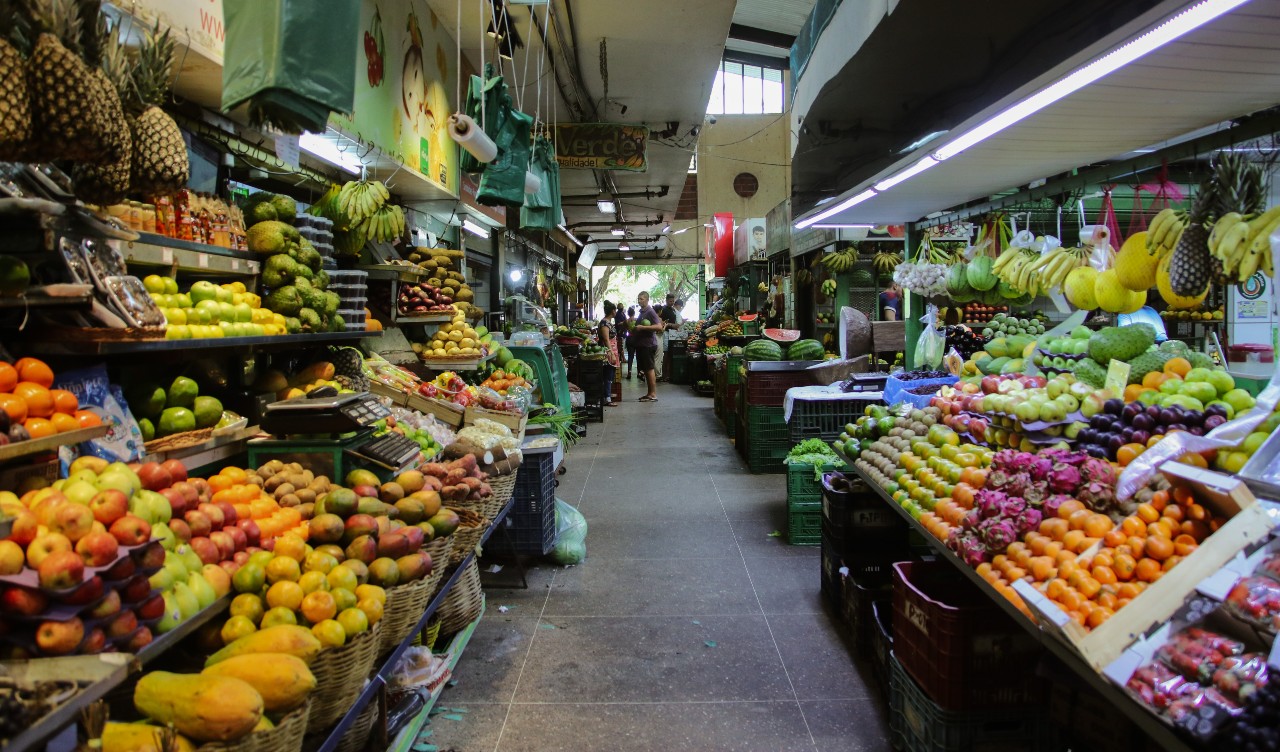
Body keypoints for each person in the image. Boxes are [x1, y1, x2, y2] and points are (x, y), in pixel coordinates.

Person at [633, 291, 663, 401]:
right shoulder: (642, 312)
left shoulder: (650, 311)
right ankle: (649, 393)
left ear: (647, 299)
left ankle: (653, 394)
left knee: (649, 369)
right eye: (638, 298)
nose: (639, 300)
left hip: (648, 345)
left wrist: (643, 328)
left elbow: (659, 327)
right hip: (642, 345)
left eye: (641, 299)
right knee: (646, 369)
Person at [598, 302, 620, 406]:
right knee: (608, 375)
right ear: (612, 311)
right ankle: (607, 398)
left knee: (610, 375)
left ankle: (607, 396)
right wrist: (611, 353)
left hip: (612, 351)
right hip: (608, 352)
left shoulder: (608, 322)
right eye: (615, 310)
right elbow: (606, 340)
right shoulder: (604, 323)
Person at [657, 293, 682, 383]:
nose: (672, 303)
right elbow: (661, 322)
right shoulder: (663, 310)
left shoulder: (673, 310)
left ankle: (669, 374)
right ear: (666, 300)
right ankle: (664, 375)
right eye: (670, 301)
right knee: (666, 354)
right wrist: (670, 325)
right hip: (666, 333)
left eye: (673, 301)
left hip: (672, 333)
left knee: (670, 354)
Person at [624, 306, 637, 378]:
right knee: (638, 356)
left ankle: (629, 372)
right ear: (634, 313)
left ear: (628, 314)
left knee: (630, 356)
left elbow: (624, 329)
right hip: (637, 339)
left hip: (629, 338)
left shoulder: (626, 321)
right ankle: (640, 372)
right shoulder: (637, 320)